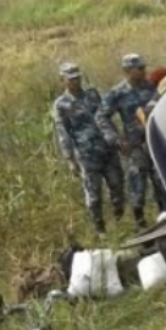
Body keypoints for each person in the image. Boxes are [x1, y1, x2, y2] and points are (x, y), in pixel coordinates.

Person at [97, 54, 166, 229]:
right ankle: (140, 223)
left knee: (161, 180)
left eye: (144, 67)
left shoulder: (152, 87)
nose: (144, 71)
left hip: (156, 140)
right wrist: (116, 139)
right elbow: (101, 116)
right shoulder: (118, 93)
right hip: (135, 146)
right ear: (128, 71)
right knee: (138, 183)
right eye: (140, 68)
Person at [53, 63, 125, 235]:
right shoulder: (61, 104)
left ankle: (120, 222)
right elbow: (63, 133)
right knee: (94, 195)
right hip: (87, 155)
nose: (75, 81)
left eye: (77, 78)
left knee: (117, 185)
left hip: (107, 149)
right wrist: (70, 160)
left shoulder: (92, 94)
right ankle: (100, 230)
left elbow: (105, 117)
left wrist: (116, 139)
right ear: (63, 80)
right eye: (71, 79)